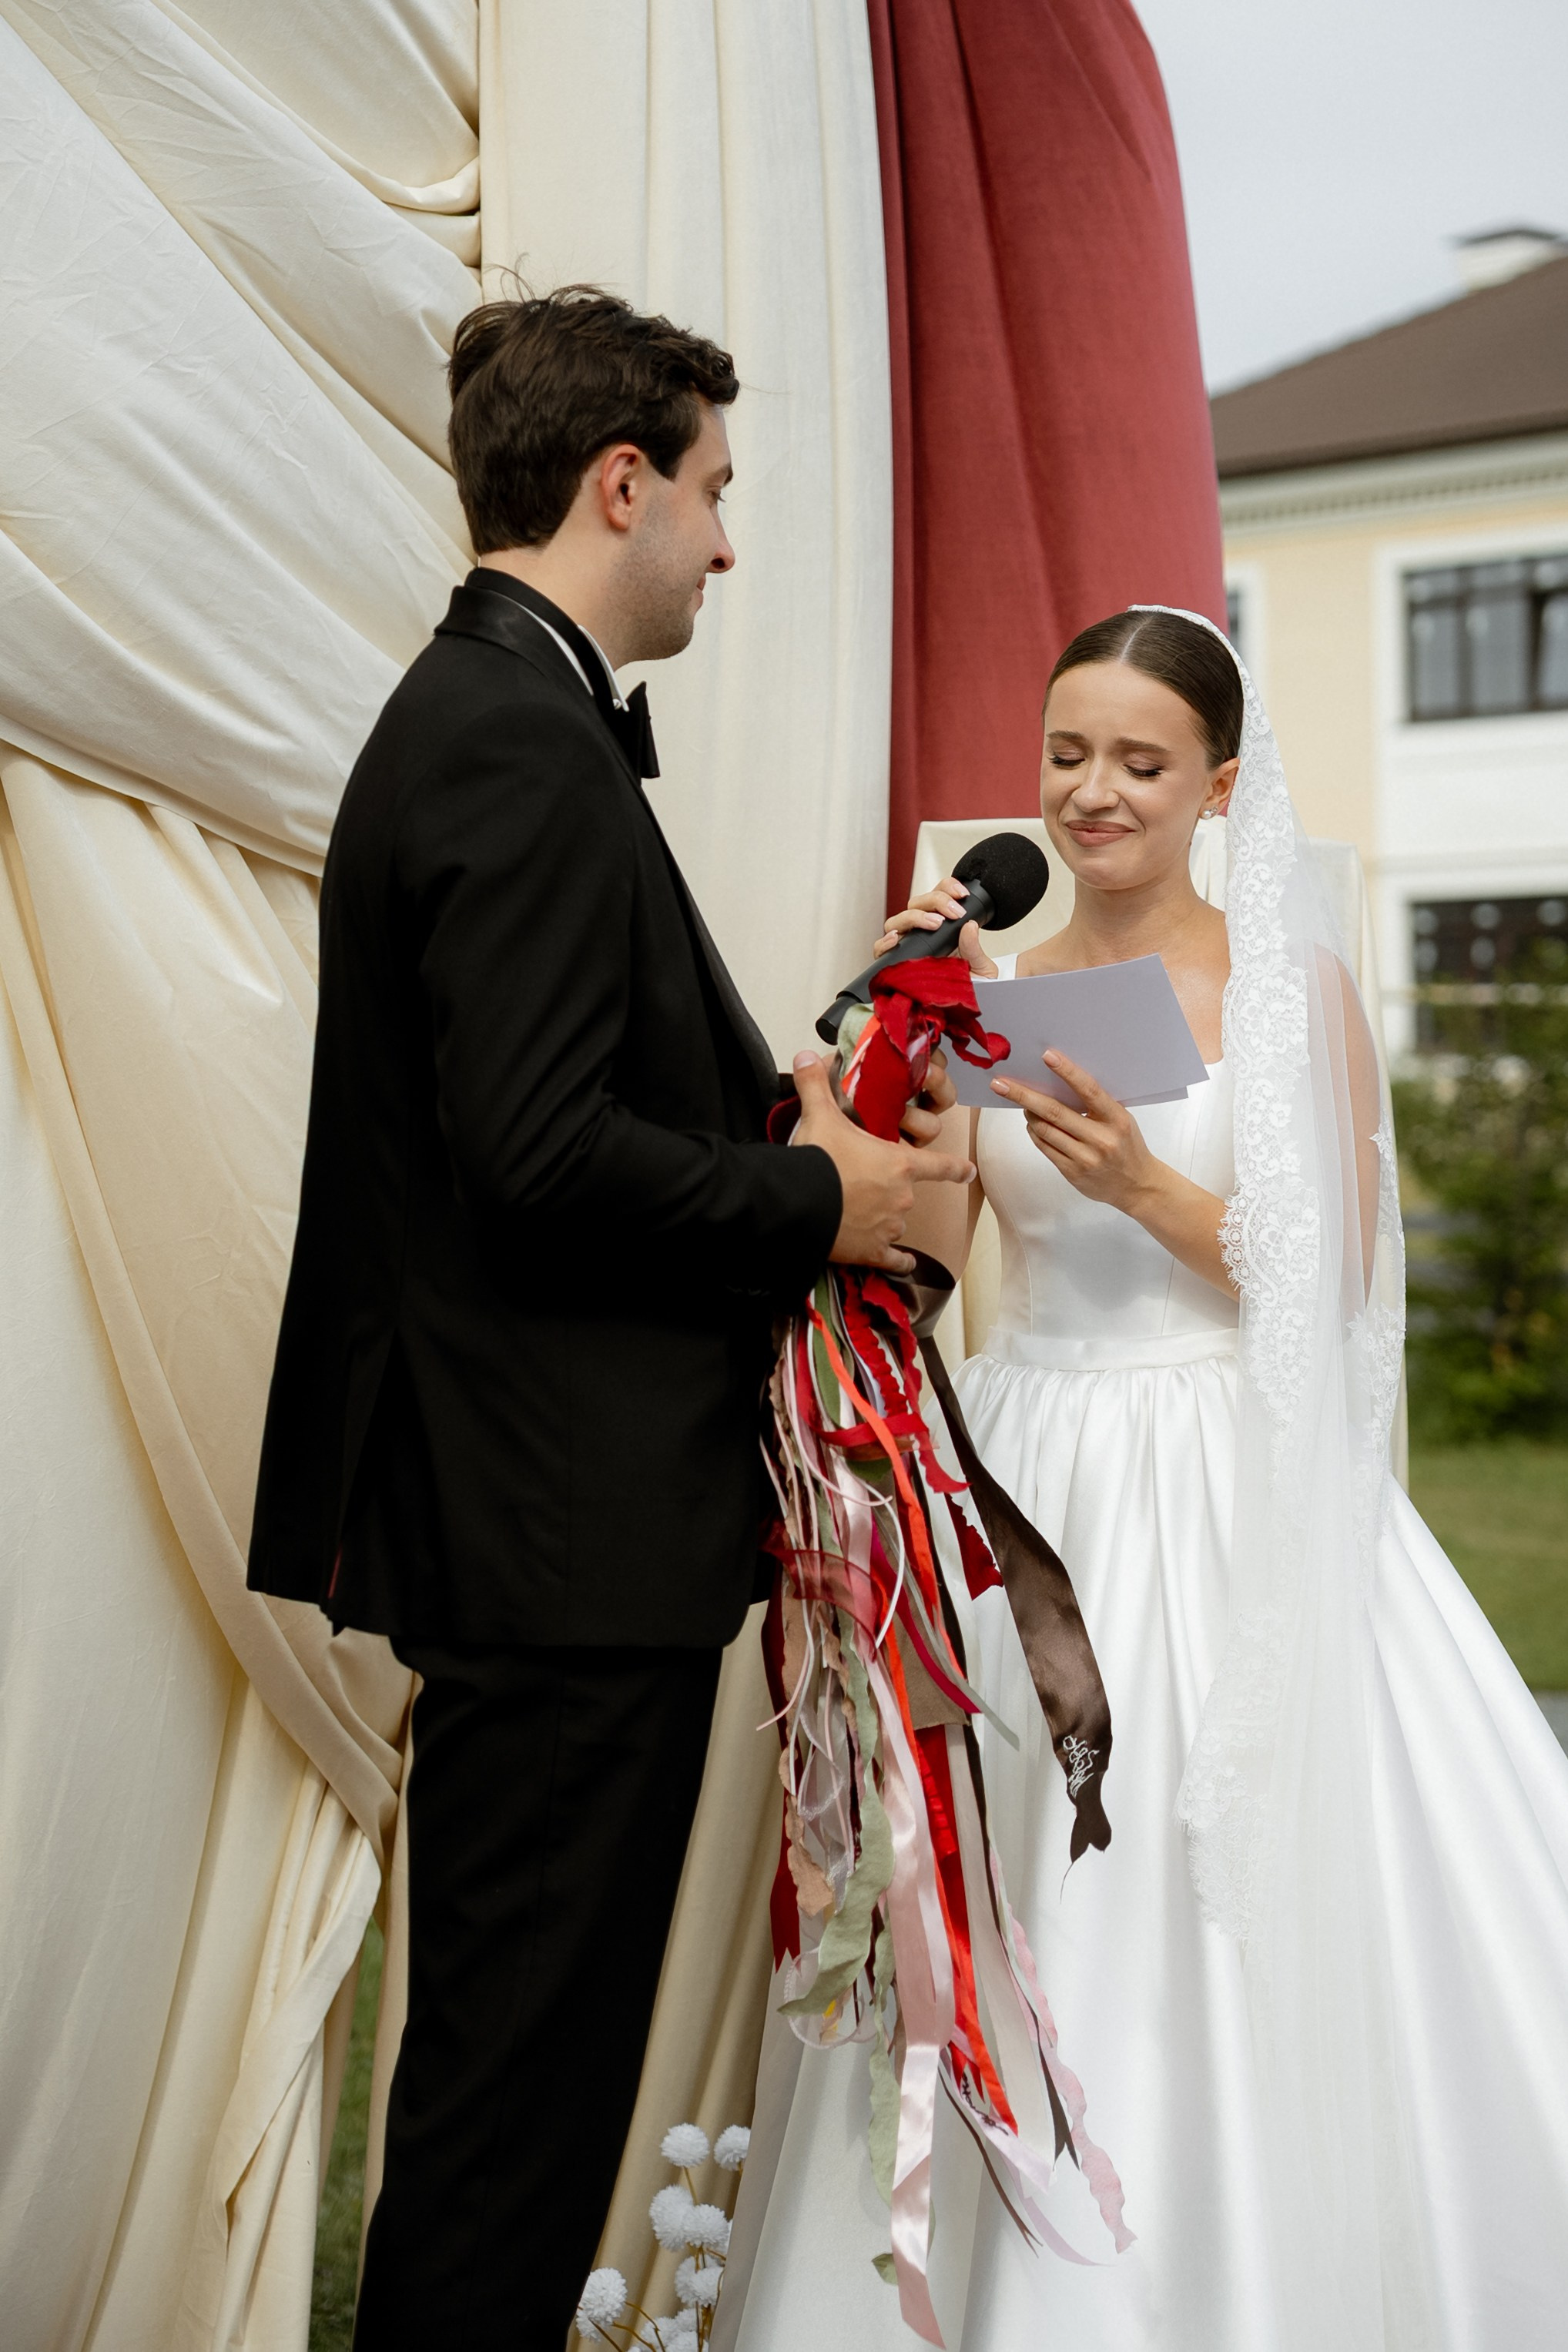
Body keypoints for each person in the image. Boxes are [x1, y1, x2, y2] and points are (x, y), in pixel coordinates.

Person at [245, 285, 971, 2351]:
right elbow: (541, 1160)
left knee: (510, 2101)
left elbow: (556, 1102)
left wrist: (786, 1106)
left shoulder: (495, 718)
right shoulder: (512, 742)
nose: (728, 545)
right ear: (619, 480)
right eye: (715, 493)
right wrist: (830, 1196)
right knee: (513, 2121)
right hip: (560, 1537)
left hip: (537, 1524)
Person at [728, 608, 1568, 2352]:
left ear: (1218, 788)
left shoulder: (1286, 992)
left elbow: (1330, 1282)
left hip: (1219, 1465)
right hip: (1028, 1467)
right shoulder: (995, 989)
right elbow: (938, 1243)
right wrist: (896, 1075)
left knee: (1211, 1869)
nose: (1089, 792)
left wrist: (1141, 1190)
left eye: (1136, 762)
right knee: (1010, 1867)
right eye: (1064, 755)